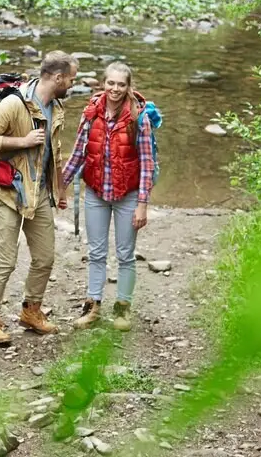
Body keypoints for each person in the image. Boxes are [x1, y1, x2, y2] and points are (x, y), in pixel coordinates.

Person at [0, 50, 80, 346]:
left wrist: (60, 189)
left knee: (45, 257)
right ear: (57, 77)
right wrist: (22, 141)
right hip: (6, 192)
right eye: (71, 79)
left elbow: (54, 152)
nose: (72, 84)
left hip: (40, 193)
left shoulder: (55, 108)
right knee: (6, 259)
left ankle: (31, 311)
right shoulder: (13, 103)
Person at [61, 61, 154, 332]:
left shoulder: (139, 117)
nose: (115, 89)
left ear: (128, 86)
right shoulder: (91, 113)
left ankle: (123, 309)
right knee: (96, 252)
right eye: (110, 83)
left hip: (128, 194)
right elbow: (79, 152)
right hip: (96, 192)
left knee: (125, 255)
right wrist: (60, 186)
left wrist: (142, 205)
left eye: (121, 84)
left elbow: (147, 163)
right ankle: (93, 307)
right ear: (103, 83)